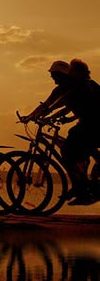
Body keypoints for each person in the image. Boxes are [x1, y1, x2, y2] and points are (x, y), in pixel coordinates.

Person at [60, 59, 100, 205]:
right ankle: (82, 187)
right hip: (91, 126)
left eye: (72, 71)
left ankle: (82, 189)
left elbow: (66, 105)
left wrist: (52, 115)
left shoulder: (81, 87)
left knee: (66, 151)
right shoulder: (90, 84)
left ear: (77, 72)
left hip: (91, 127)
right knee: (79, 148)